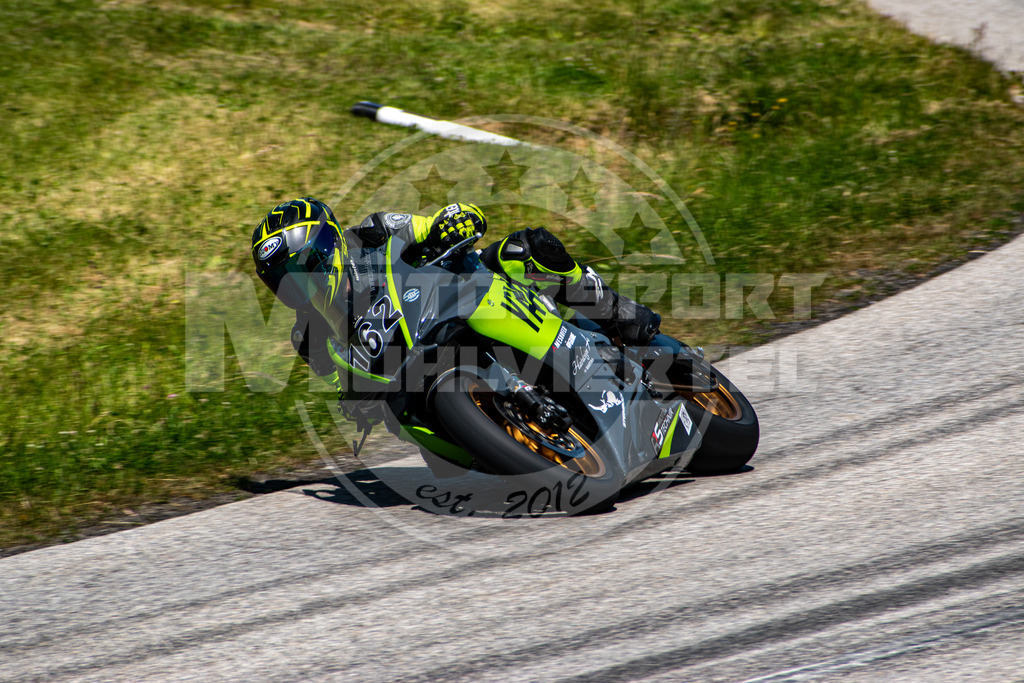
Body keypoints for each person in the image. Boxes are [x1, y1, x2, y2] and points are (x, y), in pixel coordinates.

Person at [250, 197, 661, 396]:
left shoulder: (373, 233)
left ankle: (616, 312)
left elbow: (435, 224)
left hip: (466, 291)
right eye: (285, 282)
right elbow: (346, 384)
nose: (301, 286)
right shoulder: (310, 335)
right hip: (424, 365)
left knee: (524, 251)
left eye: (305, 269)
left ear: (330, 243)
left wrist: (455, 222)